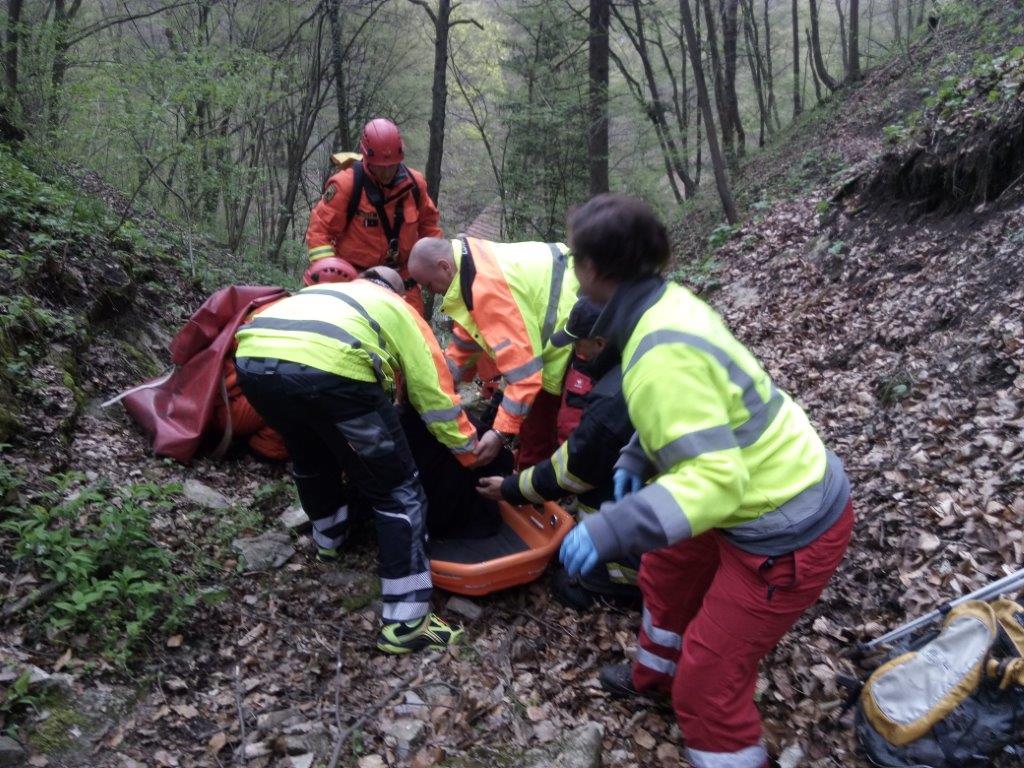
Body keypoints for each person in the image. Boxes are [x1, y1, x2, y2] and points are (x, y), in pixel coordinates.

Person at [558, 195, 853, 768]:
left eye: (576, 260)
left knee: (708, 686)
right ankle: (653, 677)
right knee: (666, 570)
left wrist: (613, 527)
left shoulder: (657, 349)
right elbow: (695, 409)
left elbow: (717, 480)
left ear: (593, 269)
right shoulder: (666, 304)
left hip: (784, 528)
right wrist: (637, 456)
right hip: (750, 493)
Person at [234, 266, 477, 654]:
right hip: (333, 374)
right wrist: (467, 449)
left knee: (311, 454)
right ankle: (407, 623)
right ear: (398, 293)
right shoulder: (398, 308)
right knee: (398, 490)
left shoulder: (322, 295)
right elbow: (432, 390)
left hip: (253, 364)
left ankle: (329, 538)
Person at [475, 297, 640, 608]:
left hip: (656, 519)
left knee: (568, 583)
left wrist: (510, 488)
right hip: (660, 496)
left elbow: (572, 470)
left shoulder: (610, 402)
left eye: (579, 344)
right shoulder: (637, 358)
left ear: (600, 343)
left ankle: (624, 580)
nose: (576, 351)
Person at [408, 236, 577, 469]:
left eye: (429, 285)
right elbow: (468, 335)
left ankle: (533, 486)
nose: (432, 293)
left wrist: (499, 434)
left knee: (546, 434)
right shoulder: (469, 263)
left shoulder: (485, 289)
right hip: (570, 310)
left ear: (444, 266)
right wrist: (444, 378)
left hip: (572, 336)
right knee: (536, 430)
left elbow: (526, 377)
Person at [305, 118, 442, 312]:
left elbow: (430, 228)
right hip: (355, 282)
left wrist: (431, 267)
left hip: (402, 283)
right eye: (380, 167)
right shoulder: (347, 185)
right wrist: (331, 274)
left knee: (414, 328)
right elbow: (319, 231)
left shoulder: (414, 185)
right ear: (367, 158)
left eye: (391, 166)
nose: (386, 173)